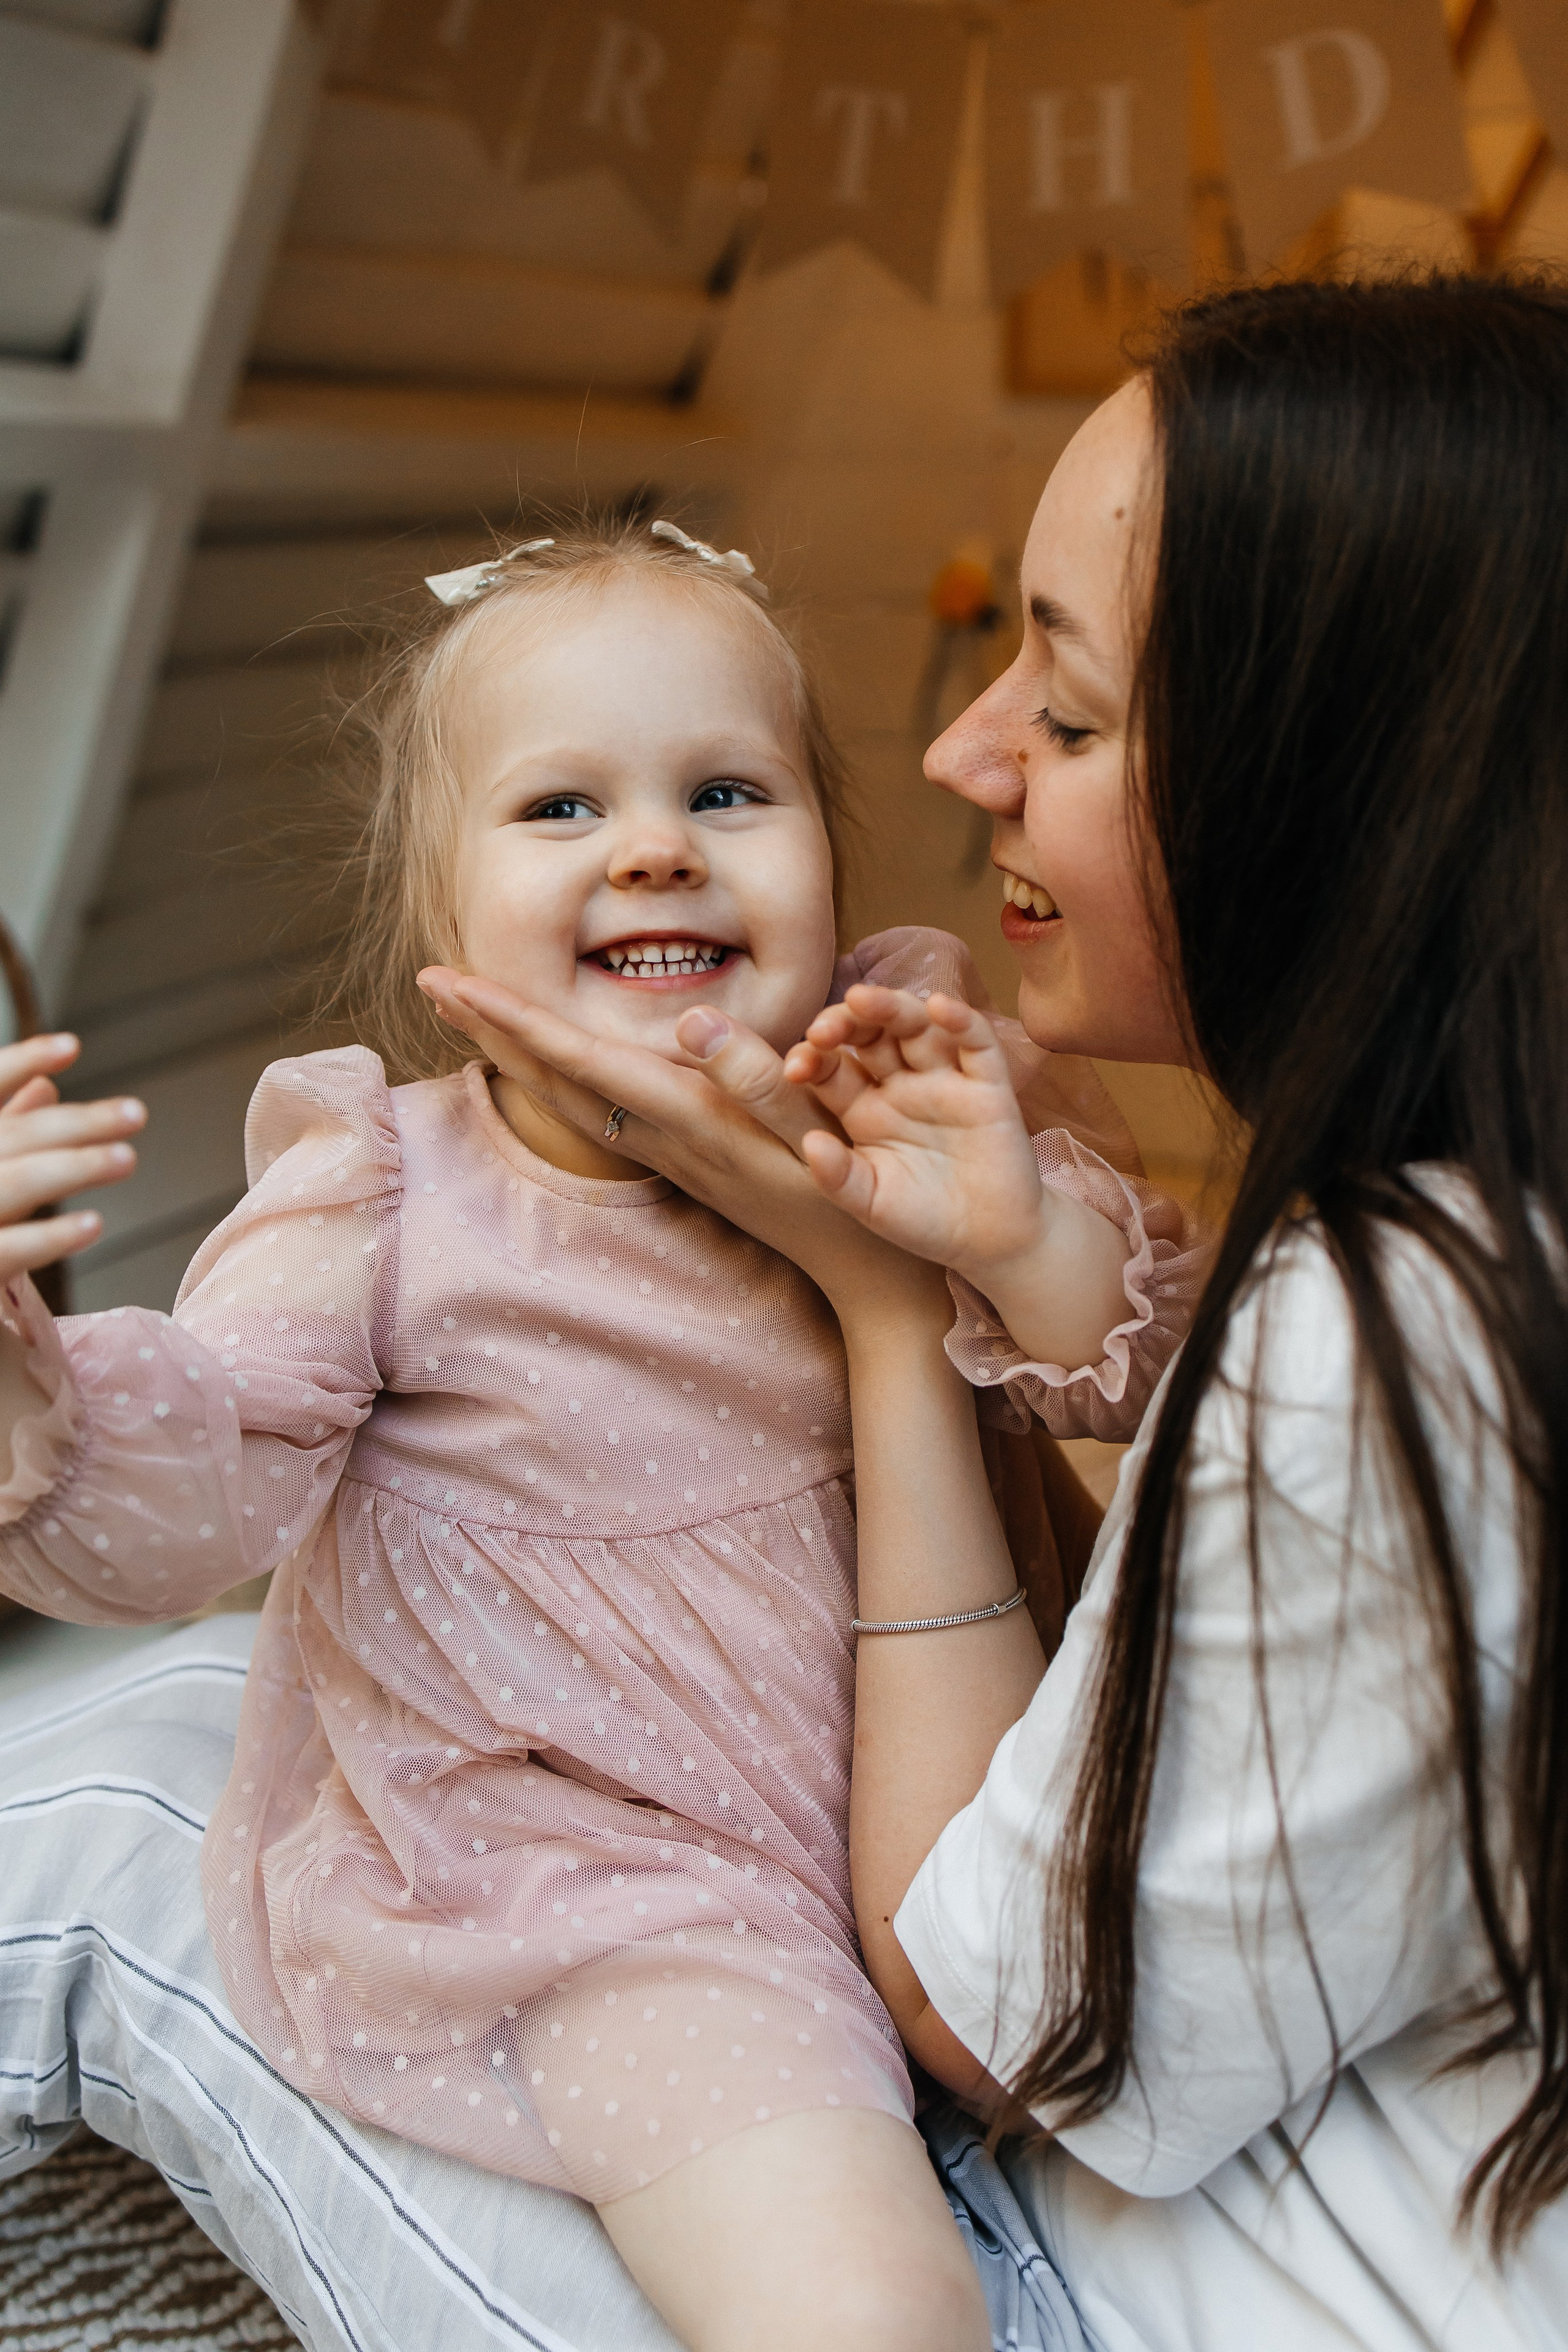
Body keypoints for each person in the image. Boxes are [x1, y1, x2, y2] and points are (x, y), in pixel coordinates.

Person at [428, 274, 1568, 2349]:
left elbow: (995, 2027)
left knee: (133, 1826)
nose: (960, 753)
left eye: (1067, 706)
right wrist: (1025, 1272)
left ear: (1341, 786)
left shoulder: (1392, 1343)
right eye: (564, 807)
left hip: (1158, 2272)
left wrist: (887, 1316)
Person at [0, 518, 1205, 2351]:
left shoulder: (907, 1068)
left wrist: (1014, 1222)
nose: (657, 845)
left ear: (826, 851)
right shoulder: (389, 1192)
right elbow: (205, 1486)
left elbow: (1161, 1374)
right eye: (562, 810)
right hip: (617, 1896)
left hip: (968, 1804)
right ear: (443, 923)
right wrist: (41, 1401)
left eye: (729, 791)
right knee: (872, 2312)